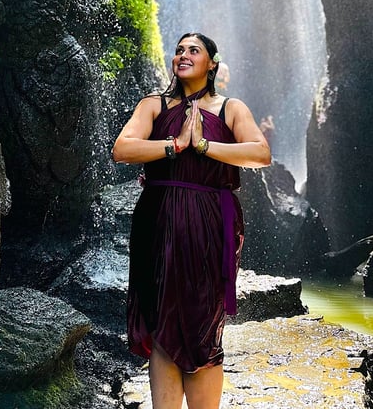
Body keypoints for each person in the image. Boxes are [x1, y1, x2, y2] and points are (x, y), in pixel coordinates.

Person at [112, 32, 271, 409]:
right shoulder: (153, 105)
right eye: (179, 50)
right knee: (162, 318)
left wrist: (203, 145)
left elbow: (260, 153)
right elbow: (122, 149)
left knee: (204, 321)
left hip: (211, 222)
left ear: (212, 64)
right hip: (158, 219)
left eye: (193, 50)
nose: (183, 55)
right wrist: (175, 145)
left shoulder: (230, 108)